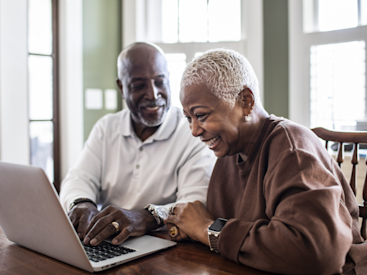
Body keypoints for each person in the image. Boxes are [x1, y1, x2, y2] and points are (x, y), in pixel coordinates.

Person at [165, 48, 367, 274]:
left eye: (201, 115)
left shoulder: (293, 148)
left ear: (245, 101)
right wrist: (195, 230)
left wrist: (206, 229)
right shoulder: (230, 150)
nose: (194, 130)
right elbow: (226, 230)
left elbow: (317, 253)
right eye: (188, 118)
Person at [59, 42, 216, 247]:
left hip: (165, 246)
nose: (153, 94)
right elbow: (79, 178)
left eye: (160, 82)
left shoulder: (193, 132)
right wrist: (82, 202)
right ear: (121, 87)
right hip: (105, 242)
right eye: (139, 85)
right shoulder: (106, 128)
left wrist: (147, 217)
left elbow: (195, 205)